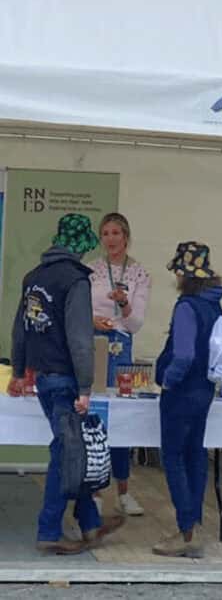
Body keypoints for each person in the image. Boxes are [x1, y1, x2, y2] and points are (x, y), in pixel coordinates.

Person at [8, 214, 125, 554]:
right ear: (79, 246)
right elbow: (79, 338)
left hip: (42, 376)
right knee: (65, 455)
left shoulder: (34, 277)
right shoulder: (75, 279)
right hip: (65, 379)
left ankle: (90, 525)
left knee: (75, 450)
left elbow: (20, 329)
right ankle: (49, 531)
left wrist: (18, 371)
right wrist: (86, 387)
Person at [152, 241, 222, 558]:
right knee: (196, 455)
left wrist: (167, 383)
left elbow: (182, 355)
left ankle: (186, 531)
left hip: (181, 392)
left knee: (173, 457)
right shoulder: (214, 305)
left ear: (183, 274)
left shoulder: (187, 306)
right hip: (205, 389)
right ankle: (194, 522)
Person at [88, 212, 151, 517]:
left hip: (121, 344)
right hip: (94, 341)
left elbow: (136, 323)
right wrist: (92, 319)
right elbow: (78, 310)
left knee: (122, 417)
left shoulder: (139, 273)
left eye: (116, 233)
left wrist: (124, 302)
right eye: (105, 233)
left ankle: (124, 491)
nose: (110, 239)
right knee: (95, 415)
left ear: (126, 236)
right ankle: (96, 489)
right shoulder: (92, 270)